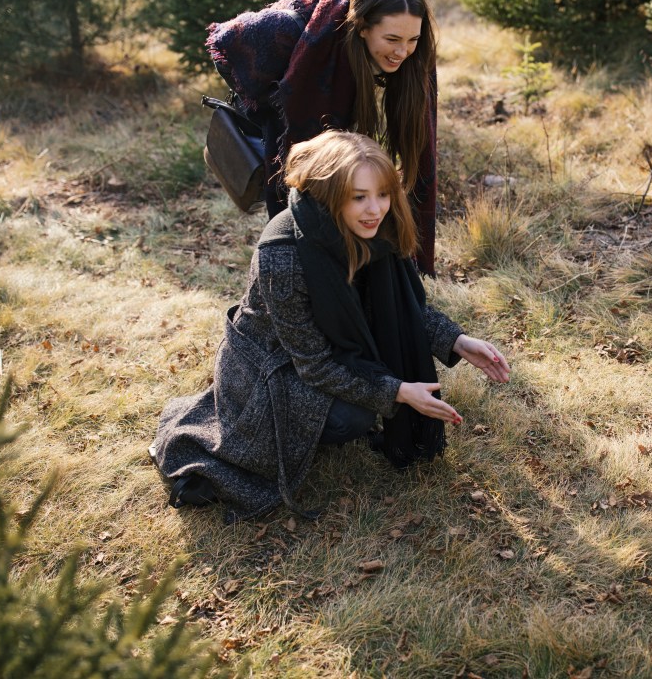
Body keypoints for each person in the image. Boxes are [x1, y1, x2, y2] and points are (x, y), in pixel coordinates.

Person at [150, 131, 510, 521]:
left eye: (383, 194)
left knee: (374, 381)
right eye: (359, 197)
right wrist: (399, 391)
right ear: (329, 192)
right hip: (270, 366)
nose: (375, 209)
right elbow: (314, 365)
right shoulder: (284, 255)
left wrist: (458, 341)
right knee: (352, 417)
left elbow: (400, 310)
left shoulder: (376, 230)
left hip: (330, 347)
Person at [207, 0, 441, 276]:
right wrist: (270, 107)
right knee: (309, 180)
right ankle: (297, 271)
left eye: (412, 39)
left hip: (325, 80)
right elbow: (226, 40)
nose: (403, 51)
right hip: (294, 99)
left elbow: (421, 154)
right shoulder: (292, 32)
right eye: (392, 38)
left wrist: (417, 262)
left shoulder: (415, 52)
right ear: (362, 28)